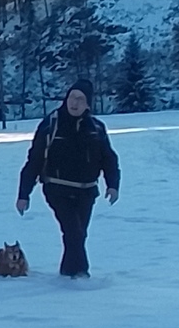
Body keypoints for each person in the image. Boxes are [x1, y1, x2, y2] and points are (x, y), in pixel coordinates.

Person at [15, 79, 120, 278]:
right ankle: (81, 275)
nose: (74, 103)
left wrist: (113, 185)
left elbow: (109, 158)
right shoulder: (51, 124)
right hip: (57, 189)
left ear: (88, 104)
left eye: (80, 99)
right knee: (74, 232)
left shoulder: (96, 127)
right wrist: (23, 194)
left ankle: (67, 273)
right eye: (72, 97)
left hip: (87, 190)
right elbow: (34, 160)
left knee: (78, 235)